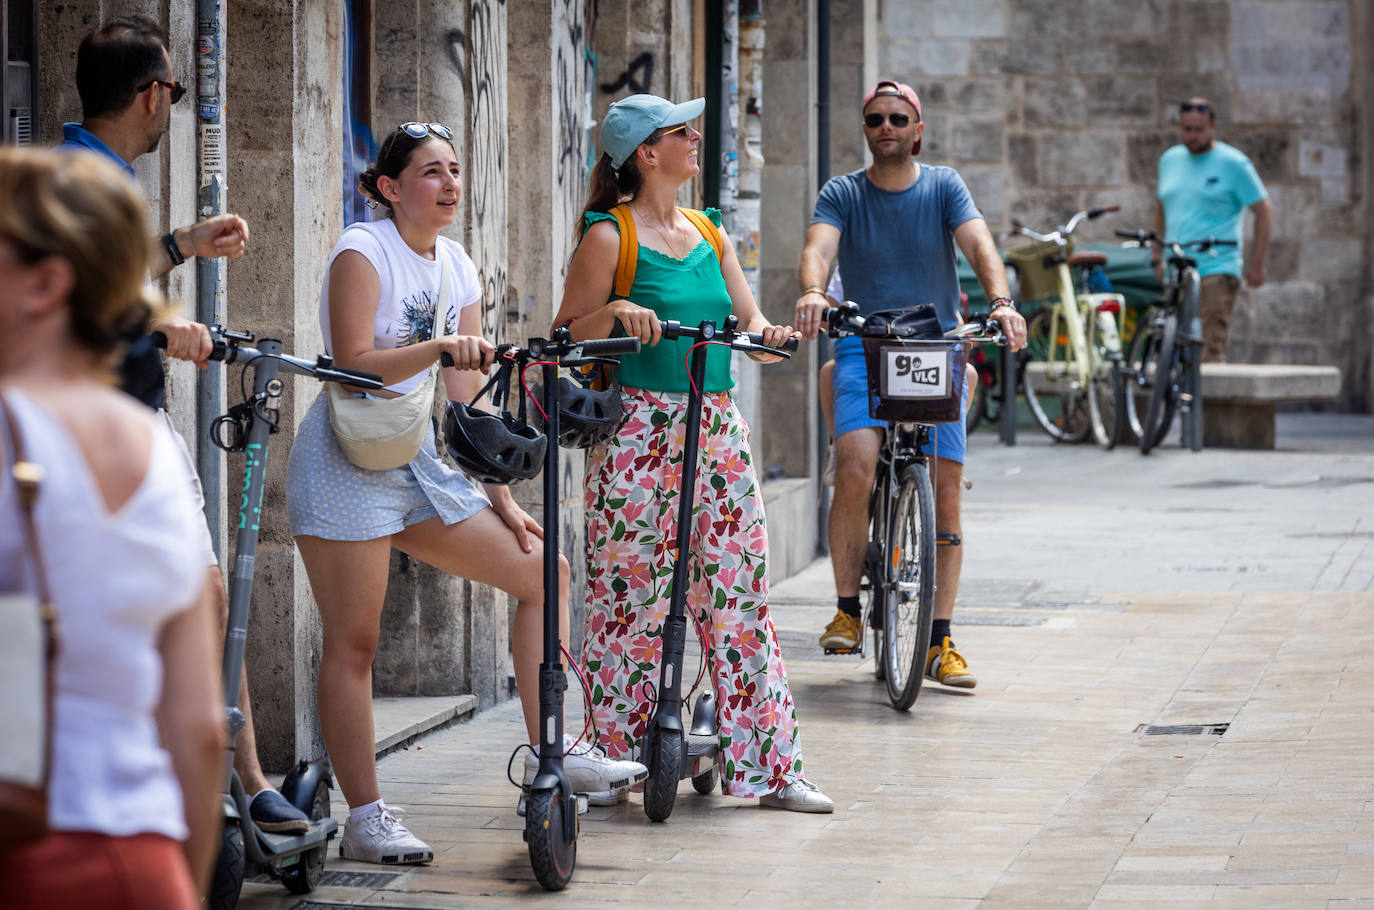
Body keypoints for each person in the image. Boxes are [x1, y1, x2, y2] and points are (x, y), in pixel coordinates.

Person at [285, 122, 646, 864]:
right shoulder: (364, 250)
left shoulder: (457, 265)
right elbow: (351, 363)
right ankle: (367, 815)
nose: (450, 185)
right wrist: (438, 345)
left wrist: (501, 496)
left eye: (454, 170)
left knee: (544, 572)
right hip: (348, 458)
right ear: (389, 188)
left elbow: (464, 397)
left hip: (419, 461)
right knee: (355, 642)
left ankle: (556, 753)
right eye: (429, 173)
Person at [53, 16, 306, 835]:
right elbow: (66, 307)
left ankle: (238, 779)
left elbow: (110, 278)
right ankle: (240, 783)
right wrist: (160, 330)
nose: (174, 108)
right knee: (197, 595)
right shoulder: (78, 181)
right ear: (152, 95)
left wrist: (178, 245)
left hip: (116, 421)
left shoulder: (89, 173)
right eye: (175, 93)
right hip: (111, 424)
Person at [554, 93, 833, 813]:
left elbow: (750, 322)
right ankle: (615, 759)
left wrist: (770, 337)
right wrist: (614, 312)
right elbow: (561, 337)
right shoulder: (608, 237)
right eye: (683, 132)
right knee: (628, 600)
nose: (696, 139)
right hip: (637, 432)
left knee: (740, 595)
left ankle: (772, 770)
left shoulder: (710, 231)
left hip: (715, 424)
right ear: (647, 154)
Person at [0, 147, 223, 907]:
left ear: (45, 283)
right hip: (144, 860)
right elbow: (199, 730)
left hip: (24, 856)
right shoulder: (152, 450)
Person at [794, 80, 1027, 689]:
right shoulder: (843, 191)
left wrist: (1000, 302)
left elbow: (979, 244)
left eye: (898, 117)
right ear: (865, 128)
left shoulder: (945, 186)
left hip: (935, 347)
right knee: (856, 462)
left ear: (917, 129)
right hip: (863, 343)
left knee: (946, 491)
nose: (887, 126)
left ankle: (940, 640)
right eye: (875, 118)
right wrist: (815, 292)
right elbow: (818, 247)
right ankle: (847, 609)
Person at [1155, 97, 1272, 363]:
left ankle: (1207, 405)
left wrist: (1257, 264)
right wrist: (1156, 256)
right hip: (1176, 267)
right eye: (1187, 130)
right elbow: (1161, 206)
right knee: (1170, 349)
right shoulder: (1169, 160)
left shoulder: (1234, 164)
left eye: (1199, 130)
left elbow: (1264, 210)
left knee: (1209, 350)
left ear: (1213, 127)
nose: (1193, 136)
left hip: (1217, 267)